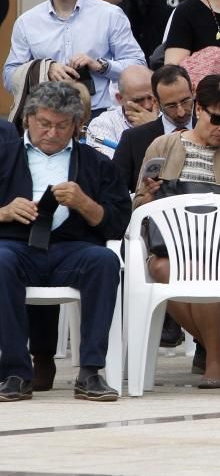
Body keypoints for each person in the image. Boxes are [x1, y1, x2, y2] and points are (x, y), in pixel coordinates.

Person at [133, 75, 220, 389]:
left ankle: (215, 359)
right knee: (159, 267)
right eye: (217, 119)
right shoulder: (164, 145)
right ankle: (219, 352)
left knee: (203, 267)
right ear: (199, 109)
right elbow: (138, 207)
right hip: (173, 249)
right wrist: (149, 193)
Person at [0, 82, 131, 402]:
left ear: (75, 125)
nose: (52, 132)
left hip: (72, 250)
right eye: (44, 123)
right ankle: (15, 372)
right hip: (16, 247)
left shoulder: (97, 163)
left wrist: (85, 203)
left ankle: (90, 372)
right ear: (28, 118)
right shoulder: (5, 155)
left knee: (105, 260)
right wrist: (3, 211)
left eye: (62, 125)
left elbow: (116, 223)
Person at [3, 0, 146, 117]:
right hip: (46, 116)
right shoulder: (27, 22)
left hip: (98, 116)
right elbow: (9, 77)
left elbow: (139, 66)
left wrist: (100, 65)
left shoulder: (110, 15)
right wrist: (44, 69)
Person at [113, 64, 195, 191]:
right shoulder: (133, 139)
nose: (181, 112)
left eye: (185, 102)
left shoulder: (213, 130)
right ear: (156, 102)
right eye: (171, 106)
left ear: (193, 91)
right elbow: (115, 193)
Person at [85, 65, 157, 158]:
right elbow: (112, 168)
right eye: (138, 100)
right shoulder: (103, 124)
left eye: (152, 98)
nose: (148, 106)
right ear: (120, 98)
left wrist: (154, 129)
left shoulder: (169, 115)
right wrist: (147, 131)